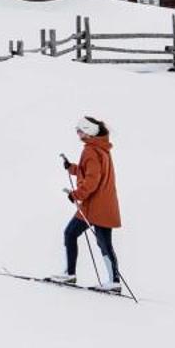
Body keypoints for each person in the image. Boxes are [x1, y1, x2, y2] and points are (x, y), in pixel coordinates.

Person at [54, 115, 122, 289]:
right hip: (103, 205)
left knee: (72, 234)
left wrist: (76, 195)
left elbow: (92, 180)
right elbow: (89, 171)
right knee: (103, 242)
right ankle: (113, 281)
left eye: (79, 130)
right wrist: (72, 168)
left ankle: (71, 274)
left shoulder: (91, 151)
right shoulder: (101, 149)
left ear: (88, 132)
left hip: (95, 206)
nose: (77, 133)